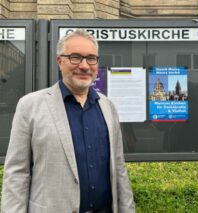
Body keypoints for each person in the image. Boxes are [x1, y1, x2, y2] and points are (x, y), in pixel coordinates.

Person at [1, 29, 135, 213]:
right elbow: (17, 173)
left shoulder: (108, 107)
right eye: (75, 57)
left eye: (91, 58)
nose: (84, 66)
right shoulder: (30, 106)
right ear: (59, 61)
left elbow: (119, 169)